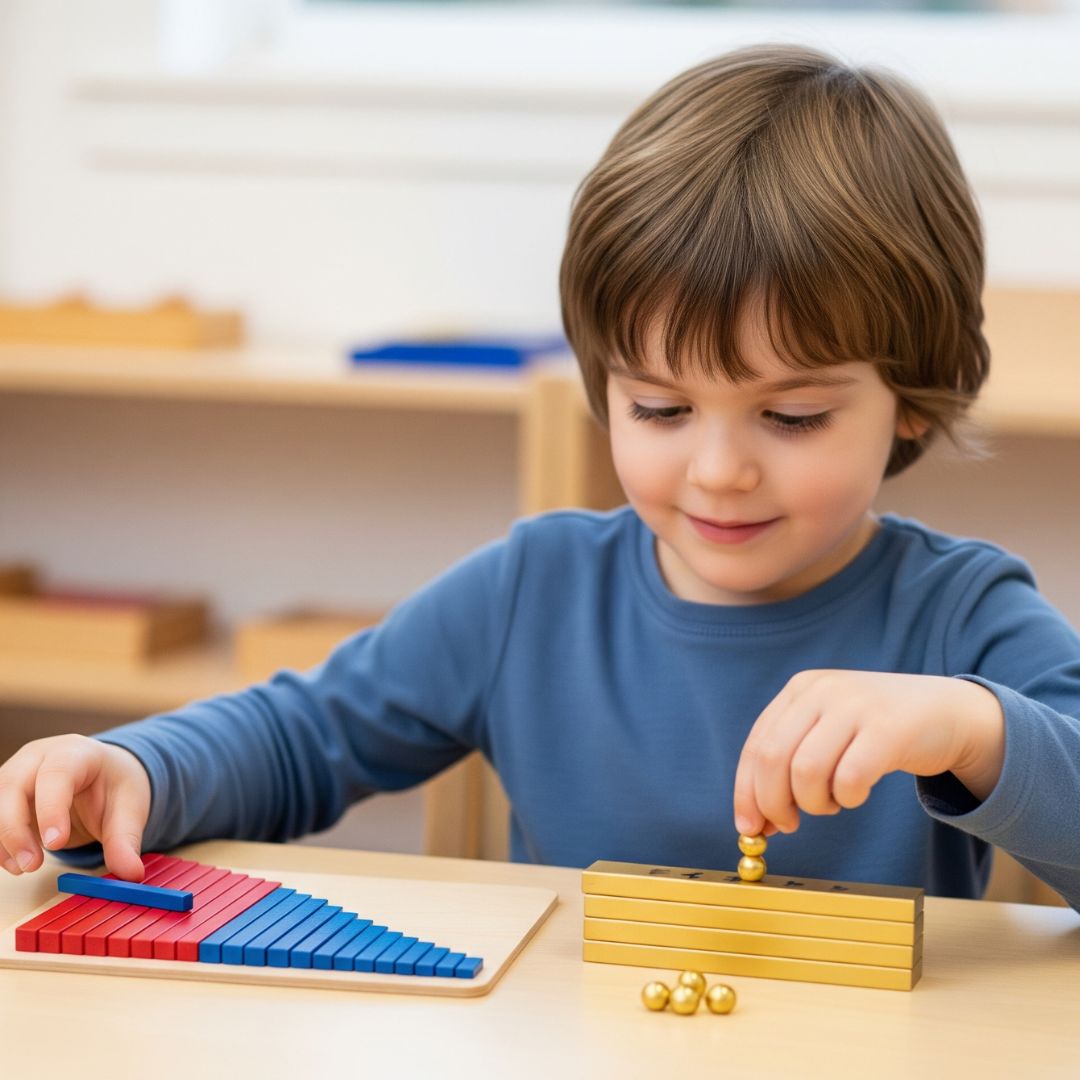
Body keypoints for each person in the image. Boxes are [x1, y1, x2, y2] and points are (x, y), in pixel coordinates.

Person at [2, 44, 1079, 909]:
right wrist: (138, 770)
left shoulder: (961, 617)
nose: (717, 470)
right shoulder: (536, 588)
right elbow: (302, 735)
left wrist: (974, 730)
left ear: (918, 401)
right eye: (658, 408)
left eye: (791, 416)